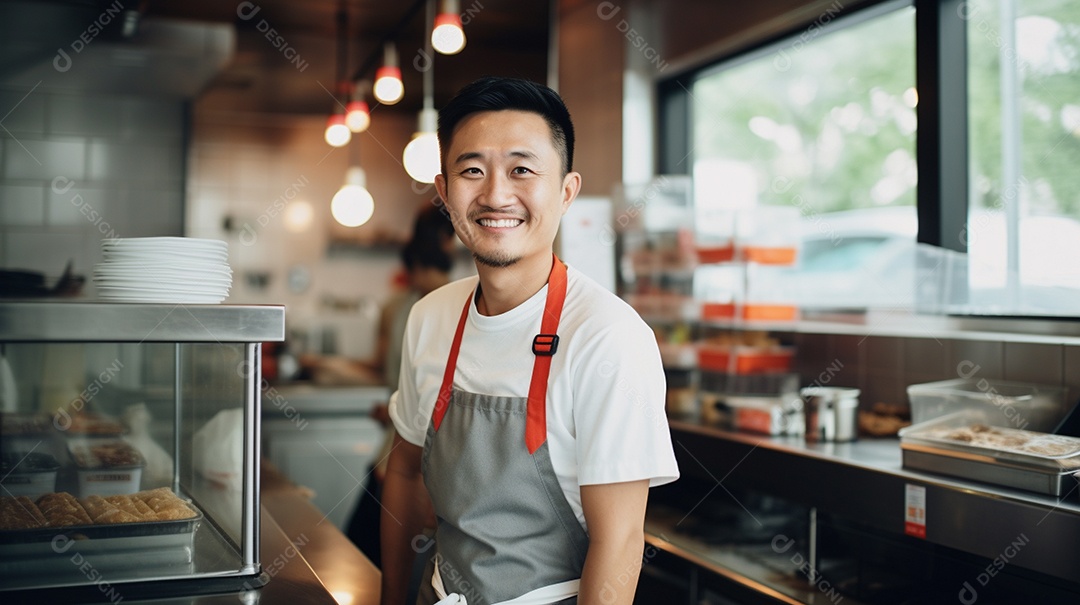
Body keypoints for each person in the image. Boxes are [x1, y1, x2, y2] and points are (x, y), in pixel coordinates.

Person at [380, 77, 679, 605]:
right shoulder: (430, 317)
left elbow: (620, 540)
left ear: (566, 191)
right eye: (472, 170)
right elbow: (404, 469)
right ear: (445, 192)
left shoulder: (609, 338)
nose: (496, 195)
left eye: (522, 169)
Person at [345, 204, 455, 566]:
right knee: (383, 552)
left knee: (369, 549)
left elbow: (395, 374)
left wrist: (395, 406)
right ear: (447, 242)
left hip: (402, 452)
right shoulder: (454, 305)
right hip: (409, 451)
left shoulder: (404, 306)